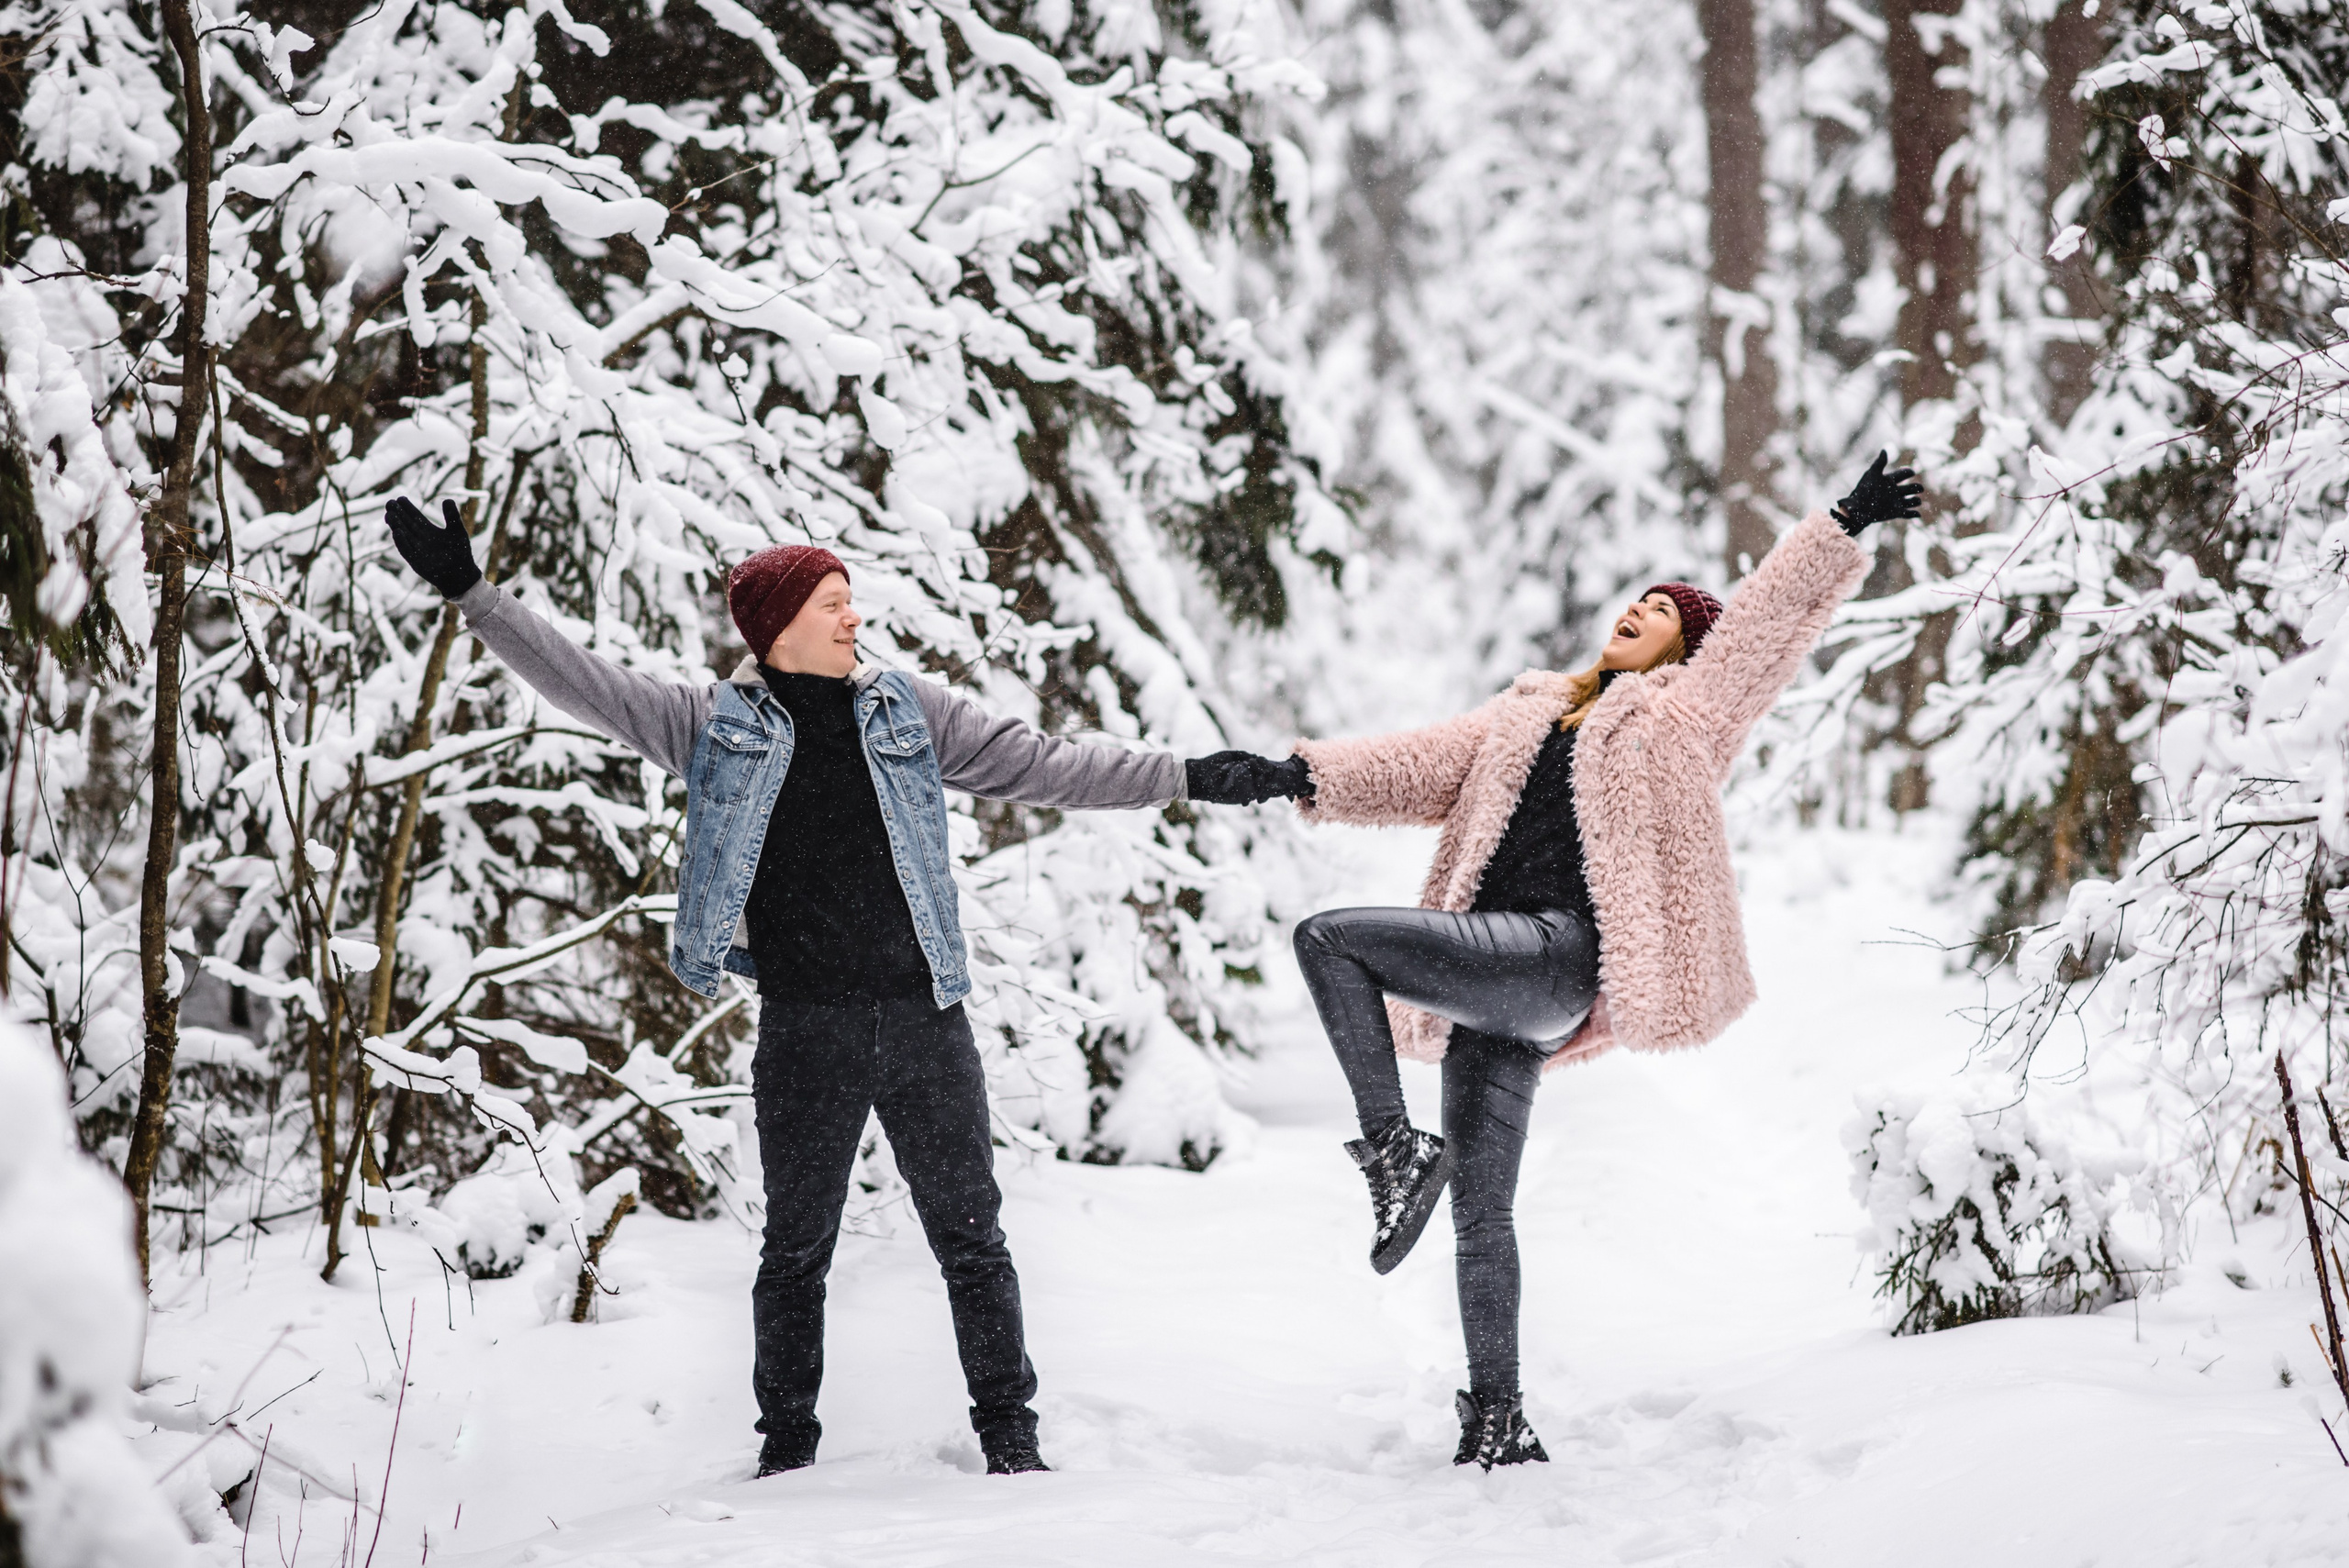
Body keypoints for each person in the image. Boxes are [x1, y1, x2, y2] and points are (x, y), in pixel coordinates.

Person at [381, 498, 1285, 1478]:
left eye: (851, 599)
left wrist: (1192, 774)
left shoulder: (907, 711)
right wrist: (474, 594)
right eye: (831, 603)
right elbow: (584, 682)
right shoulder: (710, 725)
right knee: (795, 1250)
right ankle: (788, 1453)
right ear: (778, 626)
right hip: (807, 1031)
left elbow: (1049, 763)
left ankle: (1010, 1437)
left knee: (973, 1240)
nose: (854, 616)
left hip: (926, 1019)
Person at [1206, 453, 1920, 1470]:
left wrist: (1840, 524)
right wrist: (1294, 773)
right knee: (1480, 1211)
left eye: (1661, 611)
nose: (1637, 610)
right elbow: (1413, 762)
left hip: (1554, 956)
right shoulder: (1526, 713)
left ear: (1686, 648)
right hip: (1498, 986)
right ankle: (1497, 1416)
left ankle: (1393, 1150)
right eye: (1636, 599)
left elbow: (1764, 630)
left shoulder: (1683, 718)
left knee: (1330, 937)